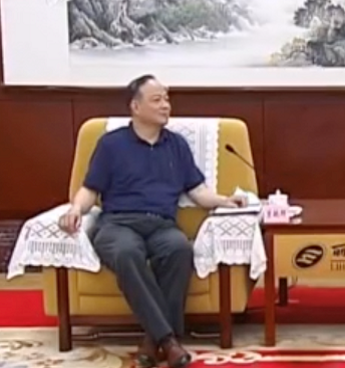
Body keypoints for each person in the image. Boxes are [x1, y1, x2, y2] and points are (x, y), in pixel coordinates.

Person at [58, 75, 247, 368]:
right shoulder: (111, 144)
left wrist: (225, 201)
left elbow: (197, 191)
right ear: (135, 106)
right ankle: (169, 341)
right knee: (126, 253)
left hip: (161, 224)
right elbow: (90, 189)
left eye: (167, 99)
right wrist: (75, 208)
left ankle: (152, 340)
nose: (165, 106)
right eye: (157, 100)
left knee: (179, 249)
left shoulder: (177, 145)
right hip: (117, 223)